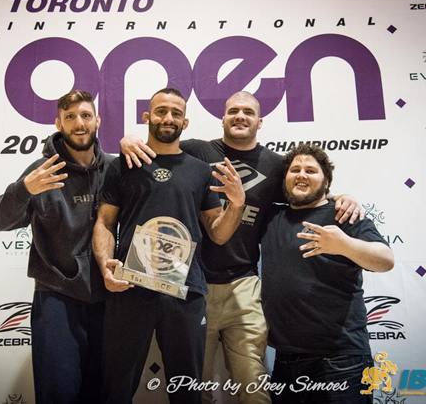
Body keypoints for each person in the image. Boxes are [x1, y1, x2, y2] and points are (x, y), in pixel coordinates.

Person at [120, 91, 363, 404]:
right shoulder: (195, 150)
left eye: (248, 112)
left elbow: (306, 194)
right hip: (192, 286)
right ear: (222, 118)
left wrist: (341, 198)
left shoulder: (277, 166)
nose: (240, 116)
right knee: (192, 387)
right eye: (233, 110)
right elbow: (156, 150)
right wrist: (127, 139)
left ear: (259, 122)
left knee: (254, 387)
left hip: (244, 285)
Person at [92, 88, 246, 404]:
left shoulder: (200, 170)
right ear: (147, 117)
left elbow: (217, 233)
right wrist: (105, 263)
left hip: (185, 292)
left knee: (187, 391)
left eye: (176, 113)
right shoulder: (122, 164)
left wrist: (237, 204)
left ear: (185, 122)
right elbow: (105, 223)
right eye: (161, 111)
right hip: (130, 287)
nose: (168, 118)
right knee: (115, 387)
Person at [0, 90, 111, 404]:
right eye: (70, 117)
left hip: (109, 298)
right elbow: (0, 221)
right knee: (58, 392)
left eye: (85, 115)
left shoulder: (114, 169)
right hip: (56, 296)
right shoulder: (43, 170)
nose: (79, 123)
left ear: (97, 120)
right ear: (59, 124)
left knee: (103, 393)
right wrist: (24, 189)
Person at [261, 143, 394, 404]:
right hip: (286, 360)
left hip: (340, 359)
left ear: (326, 181)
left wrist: (344, 244)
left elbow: (385, 260)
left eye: (310, 170)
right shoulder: (272, 215)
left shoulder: (344, 215)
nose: (301, 174)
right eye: (295, 169)